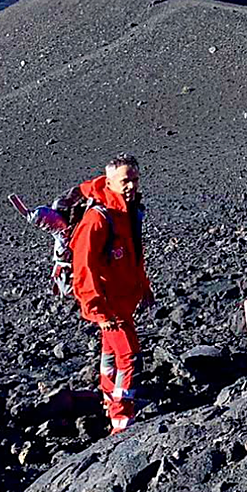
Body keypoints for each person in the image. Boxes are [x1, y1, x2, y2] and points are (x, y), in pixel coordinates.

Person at [70, 154, 154, 433]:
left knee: (111, 352)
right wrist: (97, 311)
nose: (131, 186)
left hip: (124, 298)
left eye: (135, 180)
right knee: (129, 356)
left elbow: (133, 257)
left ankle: (109, 398)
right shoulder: (98, 219)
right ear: (109, 182)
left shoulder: (127, 213)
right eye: (125, 181)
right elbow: (83, 267)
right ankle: (121, 420)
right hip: (110, 304)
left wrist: (144, 287)